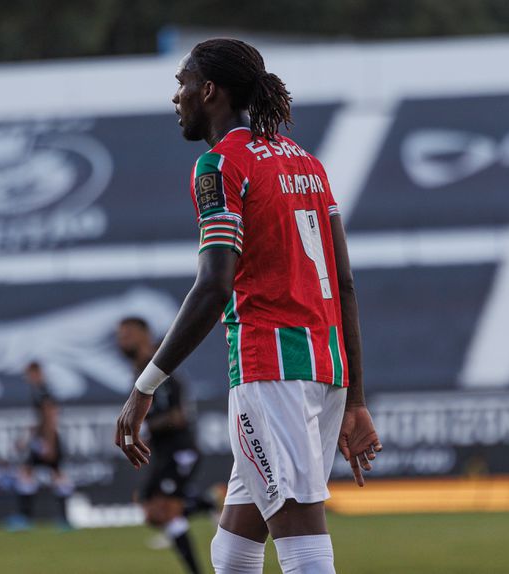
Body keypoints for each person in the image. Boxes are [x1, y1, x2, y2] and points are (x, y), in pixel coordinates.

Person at [115, 38, 381, 574]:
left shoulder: (219, 165)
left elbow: (214, 287)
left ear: (209, 91)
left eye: (183, 84)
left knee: (301, 539)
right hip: (325, 368)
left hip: (271, 371)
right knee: (234, 548)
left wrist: (145, 386)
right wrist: (354, 397)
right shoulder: (308, 164)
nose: (176, 97)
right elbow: (345, 284)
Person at [117, 317, 204, 574]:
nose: (122, 340)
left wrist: (143, 427)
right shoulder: (139, 373)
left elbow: (178, 416)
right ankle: (208, 503)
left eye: (128, 334)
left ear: (145, 335)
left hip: (179, 450)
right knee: (151, 511)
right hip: (163, 452)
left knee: (165, 511)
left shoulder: (158, 371)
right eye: (120, 335)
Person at [7, 362, 74, 531]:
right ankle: (29, 518)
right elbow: (41, 420)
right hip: (42, 439)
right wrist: (27, 440)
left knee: (54, 474)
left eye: (29, 374)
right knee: (31, 472)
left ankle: (58, 519)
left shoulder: (43, 391)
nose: (27, 378)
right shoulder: (38, 391)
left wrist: (49, 443)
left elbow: (50, 416)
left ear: (36, 373)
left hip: (47, 440)